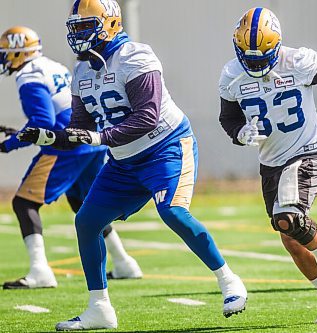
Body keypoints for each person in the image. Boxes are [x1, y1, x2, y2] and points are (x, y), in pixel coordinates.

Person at [18, 0, 247, 330]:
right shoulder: (82, 72)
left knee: (172, 211)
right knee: (87, 221)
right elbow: (78, 130)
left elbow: (147, 116)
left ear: (110, 24)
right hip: (124, 160)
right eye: (75, 28)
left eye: (86, 26)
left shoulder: (135, 56)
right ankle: (100, 308)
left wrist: (99, 138)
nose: (79, 34)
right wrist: (48, 137)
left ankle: (229, 281)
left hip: (165, 147)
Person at [219, 7, 317, 325]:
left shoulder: (298, 61)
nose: (254, 62)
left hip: (308, 153)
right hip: (271, 161)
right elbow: (229, 118)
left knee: (288, 218)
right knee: (290, 238)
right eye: (247, 56)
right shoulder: (230, 75)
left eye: (260, 56)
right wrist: (241, 134)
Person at [0, 26, 142, 290]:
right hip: (91, 138)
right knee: (82, 202)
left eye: (7, 54)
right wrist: (17, 134)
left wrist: (8, 145)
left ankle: (39, 270)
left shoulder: (28, 76)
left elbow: (43, 121)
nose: (4, 60)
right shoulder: (51, 66)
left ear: (19, 53)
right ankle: (124, 262)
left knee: (24, 203)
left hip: (67, 144)